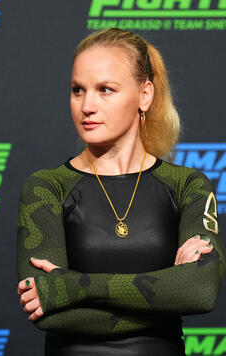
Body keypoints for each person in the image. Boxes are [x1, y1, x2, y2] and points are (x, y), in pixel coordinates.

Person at [17, 28, 226, 355]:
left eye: (105, 90)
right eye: (77, 90)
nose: (87, 105)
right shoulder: (47, 187)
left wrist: (71, 287)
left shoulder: (187, 186)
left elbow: (200, 290)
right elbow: (46, 312)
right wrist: (167, 293)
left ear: (145, 95)